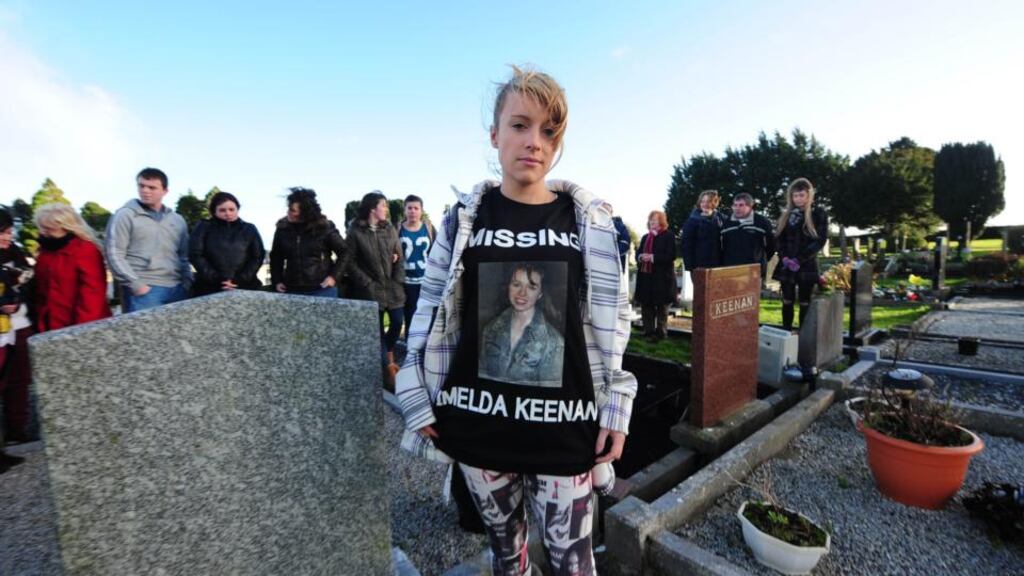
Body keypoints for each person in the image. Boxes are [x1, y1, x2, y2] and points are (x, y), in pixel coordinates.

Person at [396, 66, 637, 576]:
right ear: (495, 134)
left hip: (566, 428)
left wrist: (617, 401)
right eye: (520, 125)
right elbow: (430, 310)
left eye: (549, 131)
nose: (535, 142)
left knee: (574, 562)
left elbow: (613, 322)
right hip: (480, 424)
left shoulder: (588, 222)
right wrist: (416, 397)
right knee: (508, 557)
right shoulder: (463, 220)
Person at [105, 167, 192, 312]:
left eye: (152, 187)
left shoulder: (177, 220)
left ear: (165, 191)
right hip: (145, 291)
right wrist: (136, 285)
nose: (145, 191)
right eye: (141, 186)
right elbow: (114, 253)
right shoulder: (125, 215)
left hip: (177, 289)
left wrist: (186, 282)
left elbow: (183, 255)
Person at [347, 191, 405, 390]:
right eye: (384, 206)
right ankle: (387, 373)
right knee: (378, 334)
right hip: (370, 291)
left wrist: (397, 279)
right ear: (373, 208)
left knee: (397, 322)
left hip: (393, 288)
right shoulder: (355, 231)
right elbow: (350, 262)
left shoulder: (389, 228)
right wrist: (367, 283)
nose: (387, 210)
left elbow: (399, 255)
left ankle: (389, 352)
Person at [479, 263, 564, 386]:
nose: (522, 293)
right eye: (516, 284)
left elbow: (551, 395)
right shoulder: (490, 329)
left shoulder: (554, 343)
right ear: (508, 286)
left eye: (531, 287)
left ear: (540, 293)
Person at [34, 203, 113, 331]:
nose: (43, 232)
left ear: (65, 227)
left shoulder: (85, 250)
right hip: (51, 325)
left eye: (49, 229)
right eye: (41, 228)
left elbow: (93, 294)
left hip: (81, 325)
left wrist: (80, 330)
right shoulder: (45, 253)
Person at [773, 178, 829, 330]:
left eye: (801, 195)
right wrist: (784, 257)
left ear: (809, 195)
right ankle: (786, 332)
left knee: (805, 301)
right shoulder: (787, 215)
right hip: (787, 264)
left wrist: (799, 259)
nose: (797, 199)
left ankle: (804, 336)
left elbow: (820, 240)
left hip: (807, 264)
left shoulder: (818, 213)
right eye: (795, 196)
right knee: (787, 300)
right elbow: (779, 239)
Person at [269, 187, 346, 298]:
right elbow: (276, 257)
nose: (288, 213)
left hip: (322, 289)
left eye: (292, 210)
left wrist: (334, 277)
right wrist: (277, 280)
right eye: (289, 209)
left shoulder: (324, 227)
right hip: (291, 289)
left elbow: (345, 252)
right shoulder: (283, 229)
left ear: (305, 212)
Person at [0, 210, 34, 451]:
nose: (8, 236)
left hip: (21, 325)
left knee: (20, 382)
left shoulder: (16, 253)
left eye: (10, 231)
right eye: (3, 232)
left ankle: (17, 432)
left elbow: (29, 279)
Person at [189, 192, 266, 296]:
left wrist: (240, 279)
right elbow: (195, 254)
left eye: (231, 209)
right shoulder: (203, 227)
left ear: (237, 209)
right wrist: (217, 279)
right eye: (222, 210)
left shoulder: (249, 229)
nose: (228, 213)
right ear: (214, 211)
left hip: (246, 286)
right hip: (209, 287)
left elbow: (258, 256)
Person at [634, 210, 676, 341]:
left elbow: (671, 255)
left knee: (662, 307)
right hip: (646, 277)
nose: (652, 222)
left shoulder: (668, 236)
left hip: (662, 278)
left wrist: (652, 257)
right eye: (651, 220)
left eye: (655, 220)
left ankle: (661, 333)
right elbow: (638, 254)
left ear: (662, 222)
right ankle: (648, 331)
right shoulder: (645, 238)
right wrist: (641, 257)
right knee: (646, 305)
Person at [399, 194, 435, 339]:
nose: (412, 211)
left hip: (426, 280)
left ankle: (428, 344)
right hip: (406, 281)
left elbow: (437, 252)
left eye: (416, 208)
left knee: (428, 314)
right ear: (405, 210)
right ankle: (410, 345)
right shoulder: (397, 229)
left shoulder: (429, 228)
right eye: (409, 208)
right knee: (410, 314)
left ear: (421, 211)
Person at [720, 193, 776, 279]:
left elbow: (772, 245)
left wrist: (761, 259)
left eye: (741, 205)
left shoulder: (762, 222)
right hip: (731, 270)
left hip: (754, 272)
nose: (737, 208)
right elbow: (722, 246)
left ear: (750, 206)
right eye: (735, 205)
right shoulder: (726, 223)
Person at [680, 190, 724, 278]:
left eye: (708, 201)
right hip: (698, 266)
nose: (705, 204)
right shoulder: (692, 221)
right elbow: (686, 244)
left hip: (718, 265)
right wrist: (691, 267)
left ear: (714, 203)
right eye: (702, 201)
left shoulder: (721, 219)